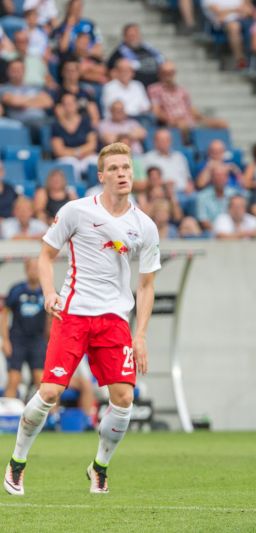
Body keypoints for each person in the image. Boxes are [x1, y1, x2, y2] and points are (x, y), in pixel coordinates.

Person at [3, 142, 160, 496]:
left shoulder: (144, 226)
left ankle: (99, 467)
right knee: (50, 392)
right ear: (102, 176)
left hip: (114, 321)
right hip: (73, 314)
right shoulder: (76, 211)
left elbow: (147, 284)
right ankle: (17, 463)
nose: (122, 174)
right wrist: (48, 293)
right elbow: (45, 256)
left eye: (127, 167)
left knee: (123, 399)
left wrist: (142, 334)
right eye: (115, 169)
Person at [1, 259, 46, 399]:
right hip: (17, 340)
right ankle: (8, 416)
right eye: (32, 268)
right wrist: (6, 340)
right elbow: (4, 316)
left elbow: (53, 321)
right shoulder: (16, 290)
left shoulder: (47, 291)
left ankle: (51, 417)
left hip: (37, 340)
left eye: (37, 268)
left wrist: (50, 342)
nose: (34, 272)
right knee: (14, 379)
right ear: (26, 270)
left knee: (42, 380)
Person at [147, 61, 228, 134]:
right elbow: (156, 111)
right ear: (160, 74)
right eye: (165, 72)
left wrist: (204, 119)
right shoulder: (154, 89)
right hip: (173, 123)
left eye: (171, 72)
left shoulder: (182, 90)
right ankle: (188, 147)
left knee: (222, 123)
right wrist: (171, 119)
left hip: (190, 121)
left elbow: (191, 108)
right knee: (183, 125)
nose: (169, 75)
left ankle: (217, 149)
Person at [201, 0, 254, 69]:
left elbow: (249, 10)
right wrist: (237, 9)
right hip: (222, 24)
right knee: (234, 27)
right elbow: (218, 12)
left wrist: (229, 11)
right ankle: (240, 60)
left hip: (244, 20)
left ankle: (254, 61)